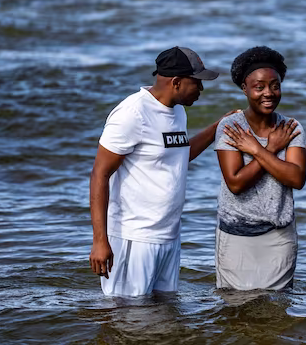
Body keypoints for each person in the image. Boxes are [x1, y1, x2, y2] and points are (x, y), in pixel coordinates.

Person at [89, 46, 229, 296]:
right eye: (197, 82)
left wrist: (219, 126)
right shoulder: (132, 113)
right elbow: (100, 174)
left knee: (163, 316)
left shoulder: (177, 111)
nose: (201, 90)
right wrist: (100, 240)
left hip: (169, 236)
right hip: (135, 237)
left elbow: (180, 155)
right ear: (176, 82)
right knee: (125, 317)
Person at [214, 46, 306, 290]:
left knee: (275, 315)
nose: (269, 93)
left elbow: (296, 178)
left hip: (280, 237)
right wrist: (273, 151)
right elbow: (235, 183)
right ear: (244, 89)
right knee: (237, 313)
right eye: (259, 87)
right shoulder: (231, 126)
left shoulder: (290, 127)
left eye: (275, 85)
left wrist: (259, 149)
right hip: (236, 237)